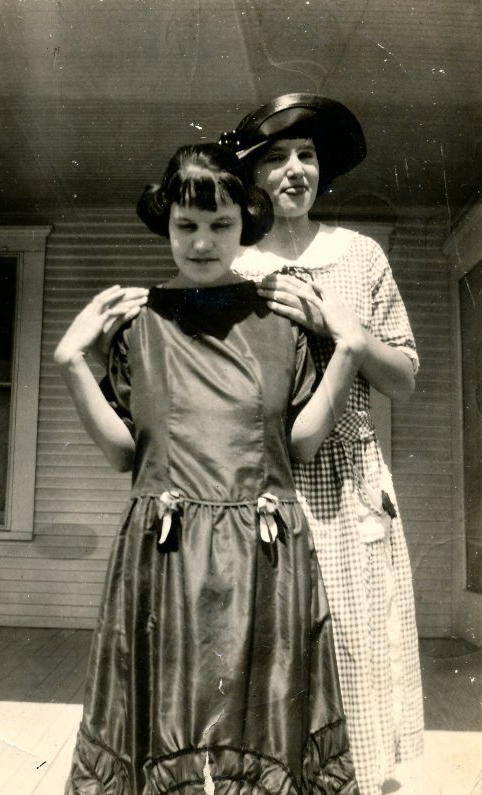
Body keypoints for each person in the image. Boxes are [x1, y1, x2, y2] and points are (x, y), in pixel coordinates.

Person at [55, 143, 366, 795]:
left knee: (261, 736)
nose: (201, 242)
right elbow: (124, 454)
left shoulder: (280, 318)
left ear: (245, 224)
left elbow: (301, 447)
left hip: (264, 558)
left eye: (220, 224)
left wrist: (349, 348)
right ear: (166, 224)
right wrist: (70, 361)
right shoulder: (140, 323)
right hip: (165, 559)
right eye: (186, 225)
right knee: (166, 731)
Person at [218, 94, 424, 795]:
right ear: (252, 178)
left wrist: (349, 332)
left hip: (350, 482)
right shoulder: (233, 268)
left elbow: (404, 378)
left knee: (355, 653)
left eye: (306, 155)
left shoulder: (359, 256)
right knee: (269, 657)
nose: (295, 170)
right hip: (267, 485)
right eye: (276, 157)